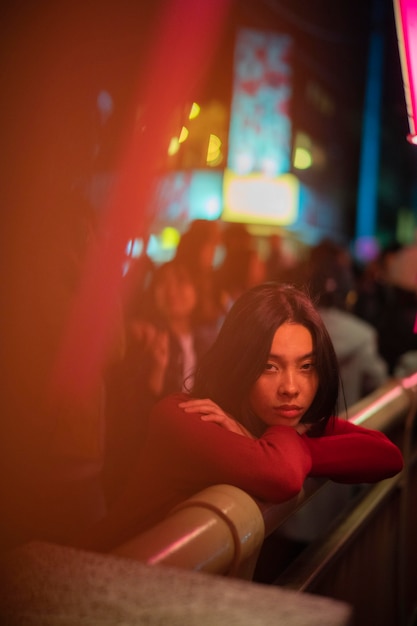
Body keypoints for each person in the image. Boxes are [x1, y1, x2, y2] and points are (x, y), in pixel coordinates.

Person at [74, 283, 403, 553]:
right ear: (239, 364)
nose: (291, 388)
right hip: (93, 584)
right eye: (268, 367)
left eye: (307, 366)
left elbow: (387, 455)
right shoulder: (185, 416)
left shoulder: (276, 426)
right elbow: (284, 474)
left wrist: (283, 445)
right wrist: (281, 447)